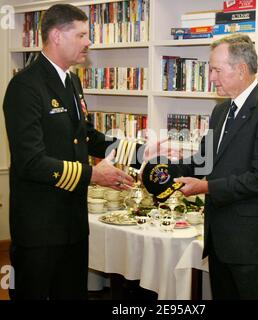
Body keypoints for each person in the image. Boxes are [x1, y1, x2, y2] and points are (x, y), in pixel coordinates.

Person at [3, 4, 162, 300]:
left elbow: (87, 136)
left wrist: (141, 151)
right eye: (82, 34)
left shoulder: (72, 81)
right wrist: (92, 175)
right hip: (39, 227)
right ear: (57, 36)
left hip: (73, 223)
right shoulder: (25, 86)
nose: (89, 41)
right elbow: (31, 162)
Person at [174, 34, 258, 299]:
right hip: (221, 242)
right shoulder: (220, 111)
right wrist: (163, 170)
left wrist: (205, 187)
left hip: (255, 247)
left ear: (240, 69)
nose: (211, 78)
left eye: (216, 70)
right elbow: (204, 160)